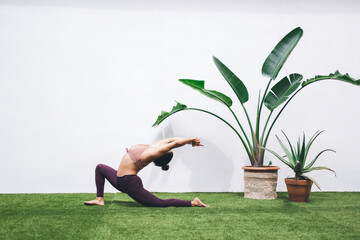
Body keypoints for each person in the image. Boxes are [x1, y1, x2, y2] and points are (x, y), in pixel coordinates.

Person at [84, 137, 209, 207]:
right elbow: (172, 140)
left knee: (159, 203)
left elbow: (174, 144)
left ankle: (193, 203)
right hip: (119, 179)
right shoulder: (154, 147)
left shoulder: (150, 153)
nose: (165, 145)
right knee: (100, 168)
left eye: (166, 149)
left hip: (129, 182)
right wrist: (187, 140)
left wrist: (190, 140)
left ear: (161, 154)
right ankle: (99, 199)